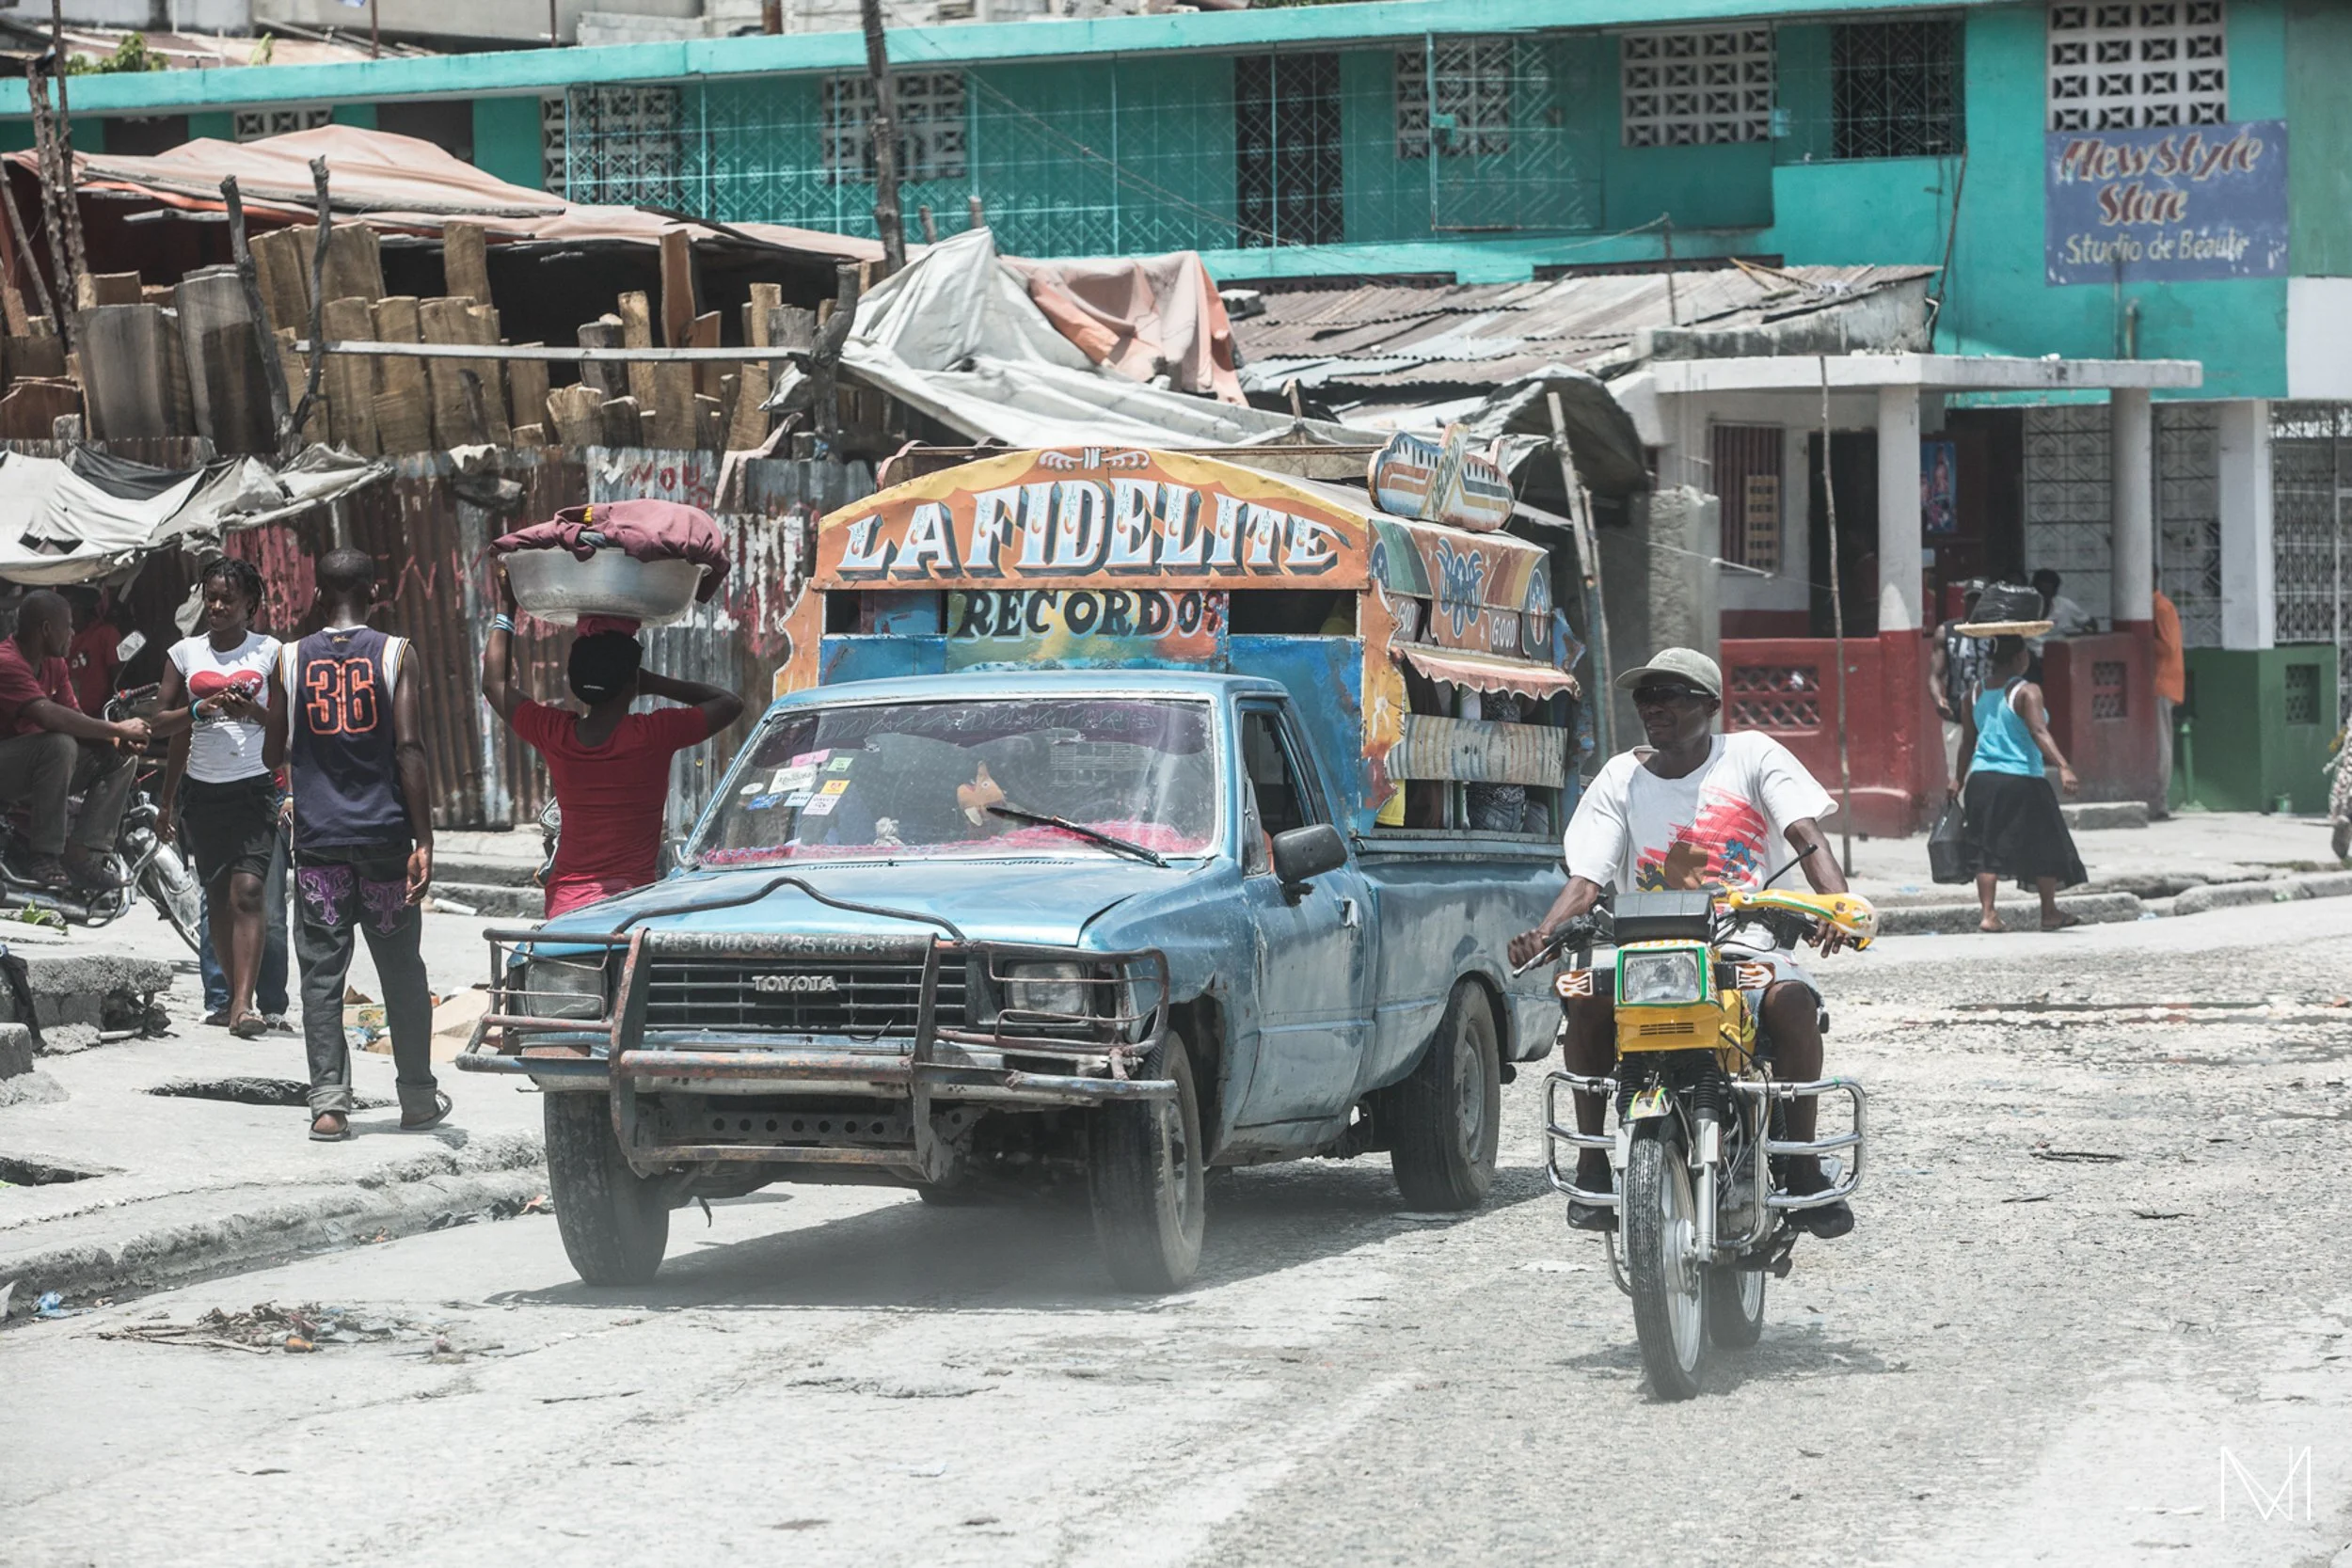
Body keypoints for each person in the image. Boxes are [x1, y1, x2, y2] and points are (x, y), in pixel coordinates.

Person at [1506, 647, 1854, 1240]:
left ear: (1710, 706)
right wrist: (1546, 932)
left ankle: (1798, 1165)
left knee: (1791, 1001)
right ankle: (1593, 1167)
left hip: (1744, 943)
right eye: (1645, 695)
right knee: (1586, 995)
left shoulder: (1751, 755)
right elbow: (1589, 878)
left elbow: (1805, 834)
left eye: (1669, 694)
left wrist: (1837, 903)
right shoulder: (1621, 775)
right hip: (1643, 949)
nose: (1653, 707)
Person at [262, 547, 445, 1142]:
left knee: (321, 975)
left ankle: (330, 1106)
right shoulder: (396, 653)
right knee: (401, 971)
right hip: (385, 836)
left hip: (318, 842)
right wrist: (425, 837)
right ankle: (416, 1098)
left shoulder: (287, 659)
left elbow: (272, 754)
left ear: (317, 594)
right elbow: (409, 748)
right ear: (376, 591)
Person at [480, 567, 742, 917]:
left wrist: (506, 605)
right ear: (632, 681)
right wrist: (655, 683)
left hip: (566, 909)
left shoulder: (555, 734)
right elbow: (729, 704)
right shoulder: (652, 735)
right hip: (632, 907)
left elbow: (494, 685)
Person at [156, 560, 282, 1037]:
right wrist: (198, 709)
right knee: (217, 898)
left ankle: (244, 1005)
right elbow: (161, 725)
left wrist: (251, 710)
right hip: (202, 792)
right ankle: (233, 998)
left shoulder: (271, 653)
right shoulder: (184, 653)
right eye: (210, 597)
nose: (216, 606)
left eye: (227, 599)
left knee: (247, 892)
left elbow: (287, 730)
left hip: (254, 788)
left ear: (250, 605)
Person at [0, 590, 150, 892]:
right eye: (67, 626)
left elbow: (74, 715)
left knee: (118, 755)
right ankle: (45, 855)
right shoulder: (7, 662)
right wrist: (119, 729)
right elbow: (51, 718)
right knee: (58, 744)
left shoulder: (55, 664)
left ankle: (82, 852)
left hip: (36, 774)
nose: (72, 633)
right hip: (9, 771)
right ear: (45, 629)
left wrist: (114, 739)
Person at [1958, 635, 2087, 933]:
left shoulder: (1973, 693)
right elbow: (2039, 731)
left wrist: (1957, 779)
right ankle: (2049, 912)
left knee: (1985, 847)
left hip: (1982, 780)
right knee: (2045, 844)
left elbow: (1967, 742)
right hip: (2022, 779)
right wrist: (2064, 766)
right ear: (2019, 658)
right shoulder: (2027, 690)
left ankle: (1988, 914)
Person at [1929, 580, 1989, 795]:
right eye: (1972, 599)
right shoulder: (1947, 632)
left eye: (1980, 600)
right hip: (1956, 716)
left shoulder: (1997, 633)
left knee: (1987, 776)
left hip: (1990, 718)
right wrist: (1938, 699)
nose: (1976, 605)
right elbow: (1935, 676)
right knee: (1957, 777)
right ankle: (1966, 823)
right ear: (1964, 600)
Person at [2151, 587, 2185, 819]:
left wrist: (2143, 637)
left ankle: (2160, 800)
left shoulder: (2161, 607)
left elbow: (2167, 646)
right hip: (2155, 682)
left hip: (2161, 682)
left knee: (2161, 743)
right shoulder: (2156, 606)